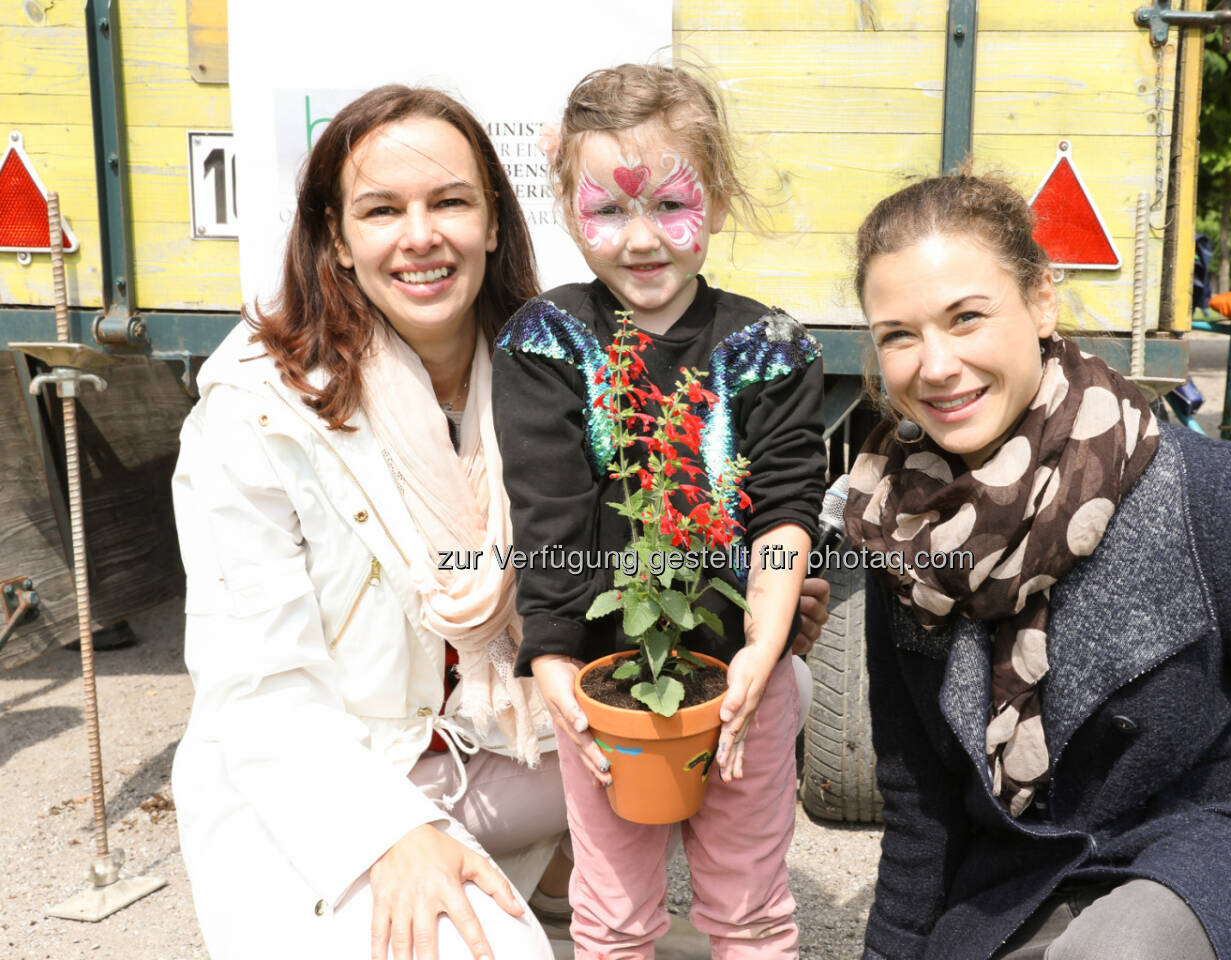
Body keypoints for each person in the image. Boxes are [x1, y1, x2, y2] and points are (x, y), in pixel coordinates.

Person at [169, 82, 834, 960]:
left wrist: (757, 602)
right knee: (492, 952)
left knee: (750, 696)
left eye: (449, 201)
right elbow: (258, 691)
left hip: (490, 743)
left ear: (494, 218)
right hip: (336, 774)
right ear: (336, 236)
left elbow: (703, 523)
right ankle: (514, 893)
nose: (421, 235)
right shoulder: (257, 412)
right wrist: (389, 832)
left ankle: (564, 882)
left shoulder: (530, 354)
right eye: (381, 210)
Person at [844, 173, 1231, 960]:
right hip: (1027, 883)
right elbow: (920, 805)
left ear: (1041, 300)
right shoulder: (896, 531)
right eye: (899, 335)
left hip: (1226, 854)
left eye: (966, 318)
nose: (937, 364)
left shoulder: (1195, 489)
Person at [493, 64, 825, 959]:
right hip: (605, 685)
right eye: (608, 210)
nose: (641, 241)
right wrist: (555, 657)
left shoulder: (768, 344)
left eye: (668, 204)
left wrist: (764, 649)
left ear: (714, 200)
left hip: (744, 681)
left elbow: (787, 509)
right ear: (568, 207)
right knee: (613, 913)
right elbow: (548, 514)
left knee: (751, 905)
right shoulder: (549, 339)